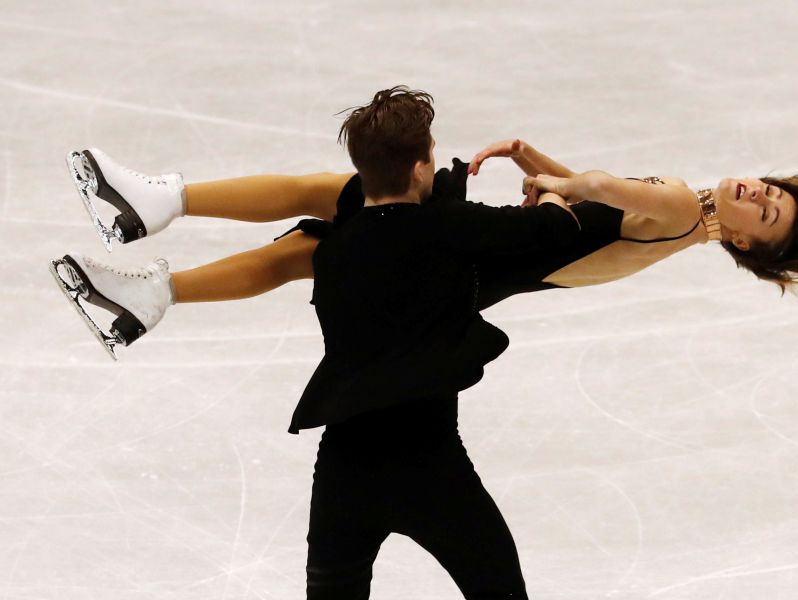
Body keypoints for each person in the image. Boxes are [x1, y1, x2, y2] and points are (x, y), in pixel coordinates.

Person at [54, 86, 588, 599]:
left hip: (344, 471)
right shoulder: (454, 226)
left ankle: (154, 268)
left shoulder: (330, 253)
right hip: (433, 465)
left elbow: (353, 219)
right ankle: (153, 269)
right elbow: (561, 229)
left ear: (361, 172)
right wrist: (548, 190)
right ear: (423, 166)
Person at [50, 126, 798, 357]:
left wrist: (563, 183)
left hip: (469, 253)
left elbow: (603, 193)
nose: (762, 194)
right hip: (475, 271)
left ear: (751, 249)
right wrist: (541, 168)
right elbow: (595, 225)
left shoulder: (677, 207)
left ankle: (154, 210)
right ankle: (146, 291)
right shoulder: (680, 224)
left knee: (330, 197)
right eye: (778, 191)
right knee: (310, 244)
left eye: (770, 214)